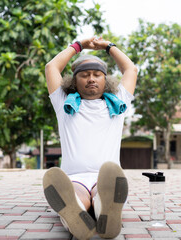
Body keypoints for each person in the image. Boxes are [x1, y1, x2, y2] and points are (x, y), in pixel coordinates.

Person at [43, 36, 138, 240]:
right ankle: (77, 214)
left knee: (103, 193)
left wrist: (108, 46)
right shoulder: (64, 103)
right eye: (85, 75)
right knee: (75, 196)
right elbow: (52, 67)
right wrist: (78, 46)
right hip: (74, 178)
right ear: (75, 82)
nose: (92, 79)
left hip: (107, 179)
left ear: (106, 80)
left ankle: (104, 211)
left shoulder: (118, 104)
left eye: (97, 74)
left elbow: (130, 70)